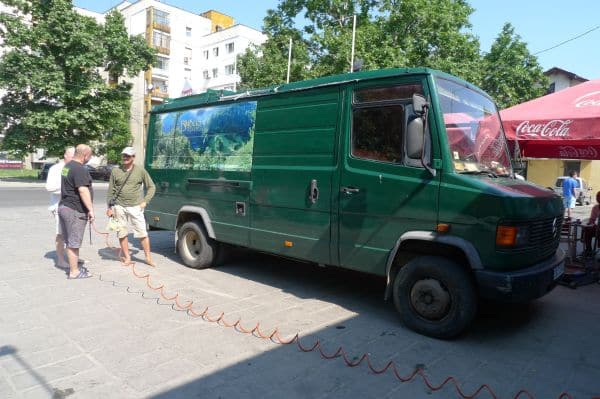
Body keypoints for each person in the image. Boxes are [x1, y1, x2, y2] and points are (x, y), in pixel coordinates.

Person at [106, 147, 156, 266]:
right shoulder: (115, 171)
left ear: (133, 157)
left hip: (135, 207)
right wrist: (109, 208)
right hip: (119, 207)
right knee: (122, 233)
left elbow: (152, 187)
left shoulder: (140, 171)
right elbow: (110, 190)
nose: (125, 158)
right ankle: (127, 257)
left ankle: (148, 257)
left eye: (128, 156)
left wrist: (145, 201)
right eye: (124, 155)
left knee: (142, 233)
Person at [58, 144, 95, 279]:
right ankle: (74, 271)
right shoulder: (80, 169)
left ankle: (74, 266)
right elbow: (83, 190)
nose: (90, 158)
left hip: (64, 207)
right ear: (85, 155)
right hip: (74, 209)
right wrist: (91, 210)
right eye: (90, 155)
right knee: (74, 241)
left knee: (69, 240)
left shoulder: (67, 167)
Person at [45, 147, 75, 269]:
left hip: (73, 206)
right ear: (65, 156)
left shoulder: (74, 168)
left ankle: (72, 257)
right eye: (72, 156)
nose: (74, 159)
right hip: (59, 206)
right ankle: (60, 260)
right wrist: (67, 188)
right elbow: (50, 187)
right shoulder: (56, 168)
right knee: (61, 233)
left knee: (72, 234)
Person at [582, 191, 600, 256]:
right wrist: (590, 224)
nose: (598, 199)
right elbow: (592, 219)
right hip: (597, 228)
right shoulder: (595, 208)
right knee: (587, 230)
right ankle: (588, 250)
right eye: (598, 197)